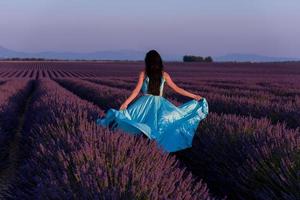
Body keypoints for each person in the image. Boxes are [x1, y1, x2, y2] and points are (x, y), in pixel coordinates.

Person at [96, 49, 209, 153]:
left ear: (147, 61)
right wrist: (194, 96)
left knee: (137, 124)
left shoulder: (144, 73)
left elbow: (136, 91)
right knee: (160, 127)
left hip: (143, 104)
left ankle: (141, 148)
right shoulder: (164, 75)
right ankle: (156, 149)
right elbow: (177, 89)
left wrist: (126, 103)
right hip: (159, 104)